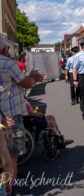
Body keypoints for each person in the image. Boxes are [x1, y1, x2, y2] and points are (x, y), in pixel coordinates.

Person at [0, 36, 46, 188]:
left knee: (4, 151)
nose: (9, 52)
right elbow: (26, 83)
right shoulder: (8, 63)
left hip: (2, 113)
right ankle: (9, 184)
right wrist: (33, 78)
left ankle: (10, 178)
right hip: (11, 114)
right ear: (3, 50)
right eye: (7, 49)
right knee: (13, 152)